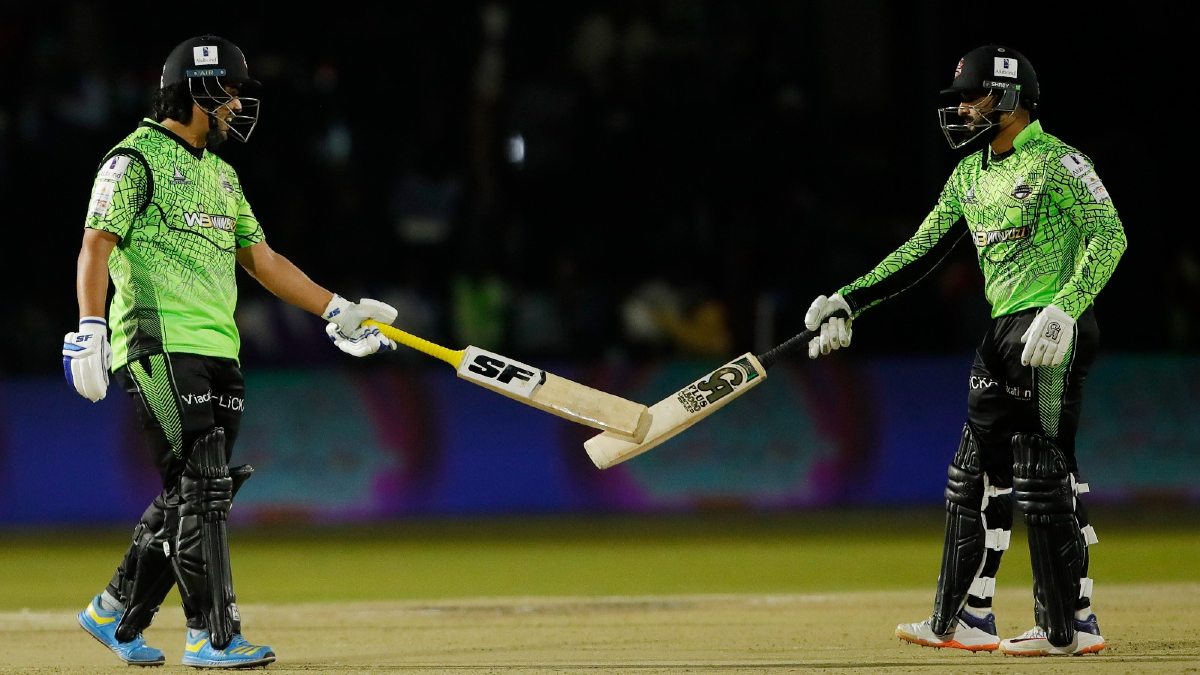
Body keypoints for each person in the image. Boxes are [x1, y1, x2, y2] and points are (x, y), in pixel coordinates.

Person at [62, 35, 400, 668]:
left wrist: (337, 309)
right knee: (202, 489)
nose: (239, 105)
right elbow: (95, 244)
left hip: (220, 349)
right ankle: (212, 637)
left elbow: (263, 261)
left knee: (195, 492)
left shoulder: (222, 175)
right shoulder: (132, 160)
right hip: (158, 344)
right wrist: (89, 326)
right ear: (199, 89)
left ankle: (113, 611)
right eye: (232, 92)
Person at [803, 44, 1126, 657]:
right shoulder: (970, 176)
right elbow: (919, 251)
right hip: (1000, 330)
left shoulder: (1060, 161)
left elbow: (1111, 236)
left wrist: (1067, 308)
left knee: (1041, 471)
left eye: (975, 97)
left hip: (1050, 328)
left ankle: (1069, 626)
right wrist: (849, 300)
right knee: (970, 473)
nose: (964, 109)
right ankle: (962, 618)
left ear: (1010, 97)